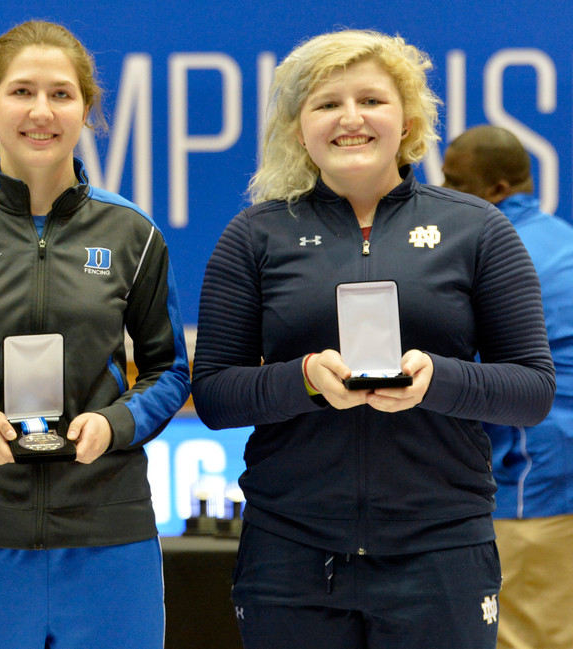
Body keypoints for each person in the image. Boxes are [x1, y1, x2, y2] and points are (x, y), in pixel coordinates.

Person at [191, 30, 555, 649]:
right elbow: (216, 395)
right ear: (298, 127)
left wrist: (440, 381)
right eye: (327, 103)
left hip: (441, 550)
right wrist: (303, 380)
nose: (350, 118)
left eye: (372, 100)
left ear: (408, 120)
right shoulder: (254, 236)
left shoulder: (478, 229)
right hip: (291, 552)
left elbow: (532, 390)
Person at [0, 20, 190, 649]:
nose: (41, 112)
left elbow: (171, 370)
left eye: (61, 94)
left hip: (110, 534)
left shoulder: (134, 234)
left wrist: (118, 423)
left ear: (87, 111)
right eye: (22, 92)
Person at [442, 124, 573, 649]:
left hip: (529, 487)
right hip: (552, 483)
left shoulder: (498, 253)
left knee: (523, 640)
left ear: (497, 189)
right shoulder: (562, 240)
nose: (443, 194)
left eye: (456, 182)